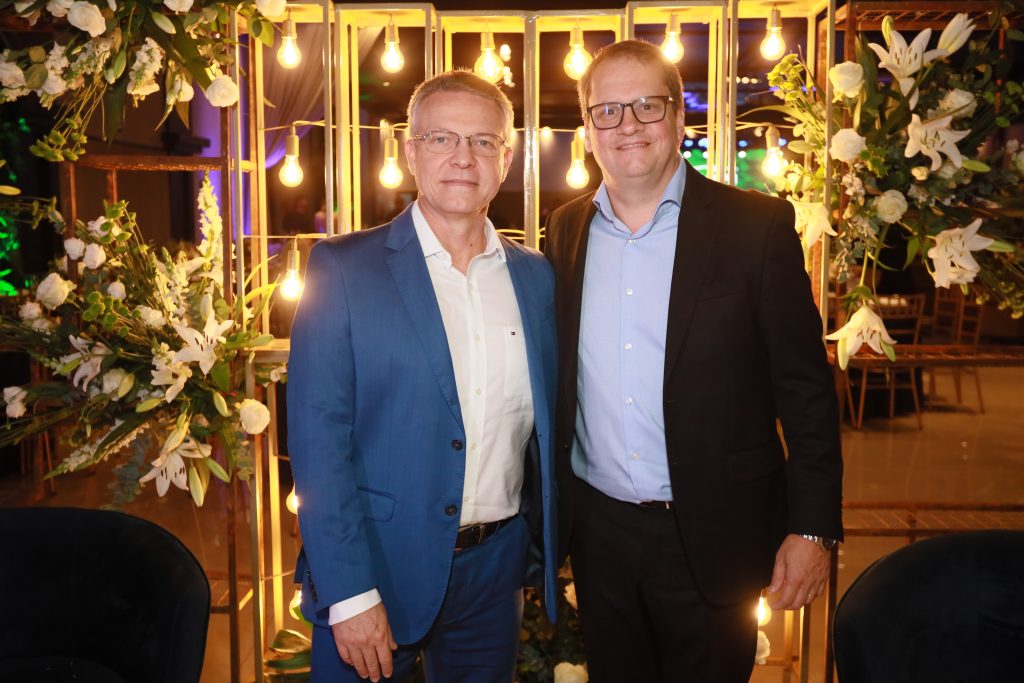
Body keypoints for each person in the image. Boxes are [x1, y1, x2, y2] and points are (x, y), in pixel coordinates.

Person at [543, 40, 843, 683]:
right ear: (587, 131)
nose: (627, 125)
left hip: (717, 531)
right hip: (600, 536)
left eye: (647, 106)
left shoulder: (755, 227)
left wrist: (813, 528)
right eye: (607, 110)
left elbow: (807, 391)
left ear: (680, 119)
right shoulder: (565, 229)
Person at [288, 70, 558, 683]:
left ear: (506, 160)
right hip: (375, 570)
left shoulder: (536, 277)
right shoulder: (343, 269)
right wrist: (349, 593)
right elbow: (316, 442)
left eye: (483, 141)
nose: (464, 157)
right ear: (411, 153)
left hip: (495, 575)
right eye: (442, 139)